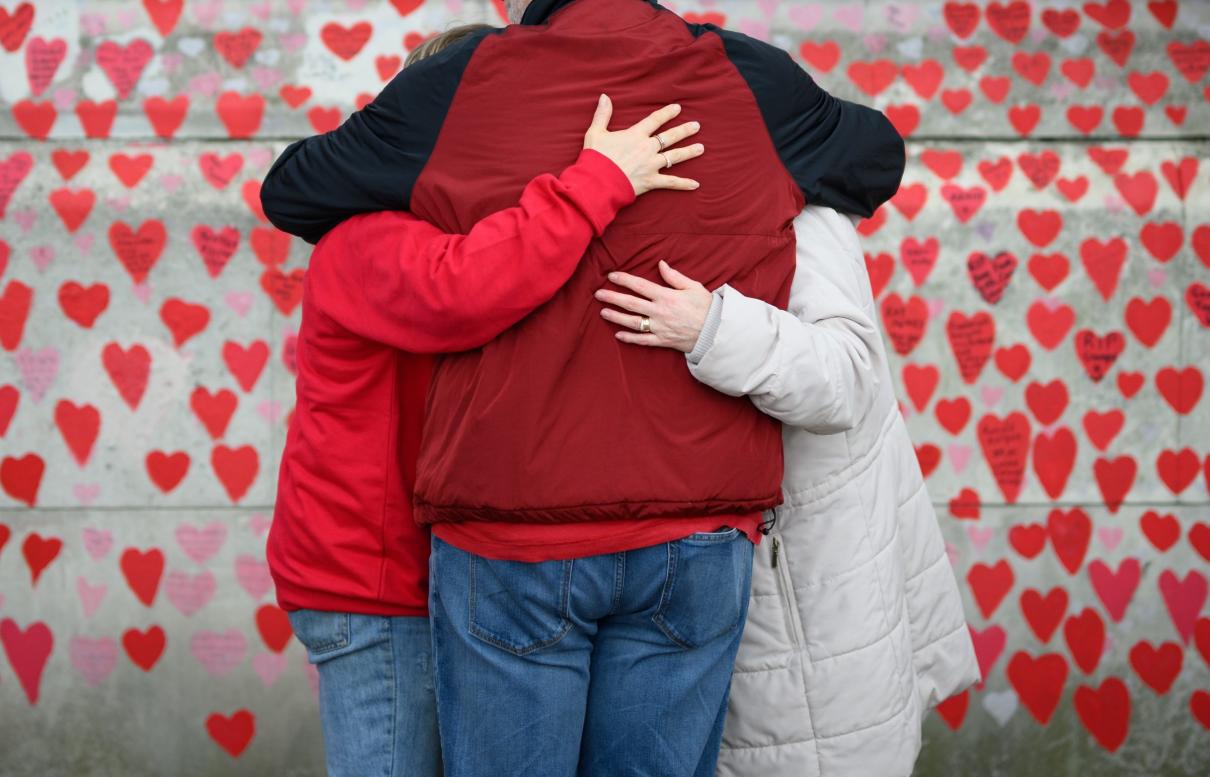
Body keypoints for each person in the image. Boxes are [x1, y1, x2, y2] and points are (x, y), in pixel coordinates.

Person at [260, 1, 907, 774]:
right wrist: (604, 177)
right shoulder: (749, 81)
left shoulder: (468, 92)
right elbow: (876, 161)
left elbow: (295, 188)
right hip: (681, 526)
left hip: (513, 534)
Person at [268, 24, 707, 777]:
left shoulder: (467, 231)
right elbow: (466, 287)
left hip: (428, 575)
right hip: (374, 590)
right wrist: (597, 176)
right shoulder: (364, 240)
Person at [596, 207, 980, 776]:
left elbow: (845, 377)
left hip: (813, 590)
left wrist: (711, 327)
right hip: (752, 584)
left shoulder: (802, 214)